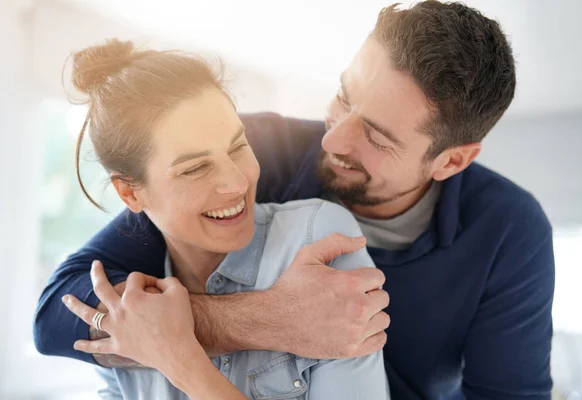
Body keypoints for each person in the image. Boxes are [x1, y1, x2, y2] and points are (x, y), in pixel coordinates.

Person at [34, 1, 555, 399]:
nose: (332, 141)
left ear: (451, 162)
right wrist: (264, 319)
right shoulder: (248, 153)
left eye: (376, 136)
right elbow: (59, 313)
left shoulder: (509, 230)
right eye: (344, 96)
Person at [50, 39, 390, 399]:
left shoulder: (315, 238)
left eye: (237, 146)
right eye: (195, 168)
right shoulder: (126, 308)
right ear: (130, 194)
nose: (238, 182)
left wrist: (180, 359)